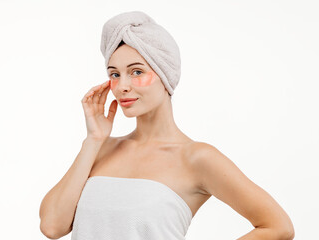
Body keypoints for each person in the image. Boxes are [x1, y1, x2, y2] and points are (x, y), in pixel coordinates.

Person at [39, 11, 295, 240]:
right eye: (115, 74)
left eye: (137, 72)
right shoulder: (101, 149)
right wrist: (93, 140)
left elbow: (277, 226)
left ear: (165, 75)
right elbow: (52, 226)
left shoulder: (197, 158)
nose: (123, 85)